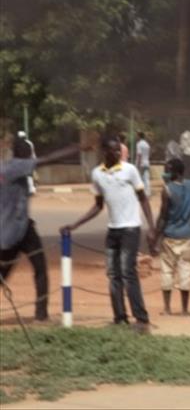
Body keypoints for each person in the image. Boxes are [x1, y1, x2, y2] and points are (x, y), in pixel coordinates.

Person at [61, 137, 155, 333]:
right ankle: (119, 318)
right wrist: (75, 224)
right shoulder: (97, 174)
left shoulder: (130, 170)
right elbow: (98, 205)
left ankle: (141, 319)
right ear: (105, 152)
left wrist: (151, 227)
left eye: (119, 150)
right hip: (113, 230)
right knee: (113, 274)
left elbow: (143, 199)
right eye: (114, 150)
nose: (118, 153)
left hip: (130, 228)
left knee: (128, 273)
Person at [1, 139, 78, 321]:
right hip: (15, 231)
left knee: (13, 270)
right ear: (25, 154)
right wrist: (77, 147)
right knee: (39, 270)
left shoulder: (5, 167)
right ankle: (41, 314)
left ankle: (42, 313)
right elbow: (48, 159)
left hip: (14, 229)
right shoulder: (18, 166)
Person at [150, 158, 190, 315]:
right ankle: (185, 310)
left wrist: (155, 239)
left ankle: (167, 309)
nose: (165, 173)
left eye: (168, 170)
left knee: (167, 272)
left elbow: (163, 217)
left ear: (175, 172)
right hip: (188, 237)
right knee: (185, 271)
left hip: (170, 237)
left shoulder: (167, 190)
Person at [135, 132, 151, 197]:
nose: (136, 137)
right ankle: (147, 193)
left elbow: (139, 154)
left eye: (137, 136)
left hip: (141, 163)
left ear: (139, 136)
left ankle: (140, 194)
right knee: (146, 179)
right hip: (147, 162)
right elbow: (148, 154)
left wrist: (138, 164)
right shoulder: (147, 144)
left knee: (139, 179)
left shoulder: (139, 144)